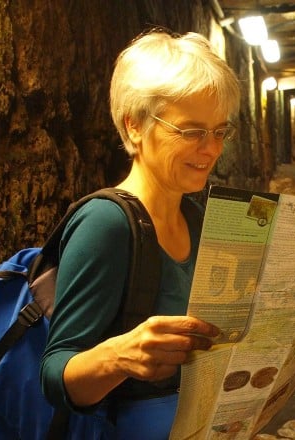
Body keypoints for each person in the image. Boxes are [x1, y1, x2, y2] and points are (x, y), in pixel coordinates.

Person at [40, 28, 241, 439]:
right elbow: (55, 375)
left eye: (220, 131)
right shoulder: (106, 225)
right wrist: (120, 356)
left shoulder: (198, 215)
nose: (212, 149)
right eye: (191, 131)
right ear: (134, 126)